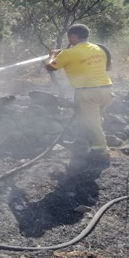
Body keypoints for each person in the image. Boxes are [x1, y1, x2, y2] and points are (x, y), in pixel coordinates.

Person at [45, 24, 113, 159]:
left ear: (74, 36)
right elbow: (108, 68)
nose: (69, 40)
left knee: (92, 124)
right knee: (94, 120)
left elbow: (50, 67)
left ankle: (101, 151)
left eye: (69, 37)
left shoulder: (69, 53)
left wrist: (52, 55)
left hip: (88, 93)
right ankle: (83, 141)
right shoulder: (98, 49)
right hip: (107, 90)